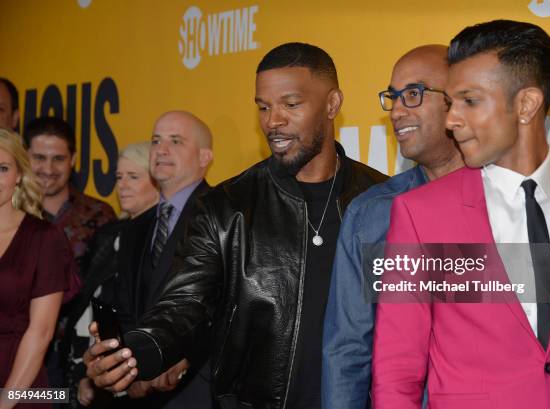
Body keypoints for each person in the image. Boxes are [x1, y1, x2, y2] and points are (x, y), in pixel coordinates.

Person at [83, 42, 387, 409]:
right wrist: (136, 351)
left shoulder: (381, 200)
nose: (273, 121)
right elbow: (183, 306)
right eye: (263, 107)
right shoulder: (227, 208)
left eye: (290, 105)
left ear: (332, 104)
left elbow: (408, 319)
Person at [372, 20, 550, 409]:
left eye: (470, 100)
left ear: (526, 105)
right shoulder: (418, 214)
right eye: (451, 103)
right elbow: (397, 369)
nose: (451, 120)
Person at [321, 44, 463, 409]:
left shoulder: (513, 202)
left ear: (459, 98)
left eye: (413, 95)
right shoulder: (371, 213)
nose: (397, 111)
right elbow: (348, 349)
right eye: (393, 97)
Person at [84, 112, 215, 409]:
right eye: (156, 140)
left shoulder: (226, 216)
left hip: (200, 389)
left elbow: (229, 307)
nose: (162, 149)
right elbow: (130, 308)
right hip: (141, 391)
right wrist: (122, 359)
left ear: (205, 156)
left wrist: (184, 360)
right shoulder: (136, 228)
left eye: (175, 141)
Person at [60, 142, 159, 408]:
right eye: (118, 177)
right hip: (79, 366)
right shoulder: (109, 234)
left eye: (133, 177)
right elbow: (86, 298)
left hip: (124, 377)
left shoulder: (161, 240)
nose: (122, 185)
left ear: (158, 181)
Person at [23, 116, 116, 398]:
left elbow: (110, 294)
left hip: (78, 361)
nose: (48, 169)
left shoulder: (100, 216)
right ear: (25, 157)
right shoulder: (10, 215)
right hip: (18, 354)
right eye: (39, 158)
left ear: (73, 159)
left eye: (58, 159)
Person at [0, 129, 74, 409]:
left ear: (19, 174)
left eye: (2, 168)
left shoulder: (44, 237)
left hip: (21, 385)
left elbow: (41, 331)